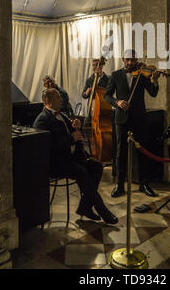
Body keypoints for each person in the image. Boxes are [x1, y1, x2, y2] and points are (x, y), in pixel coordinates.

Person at [33, 88, 118, 224]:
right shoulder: (42, 120)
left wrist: (75, 127)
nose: (61, 100)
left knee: (97, 166)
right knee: (82, 172)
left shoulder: (63, 115)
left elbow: (71, 135)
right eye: (57, 98)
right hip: (57, 163)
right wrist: (71, 138)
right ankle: (103, 211)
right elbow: (48, 147)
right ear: (48, 101)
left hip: (72, 158)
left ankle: (85, 207)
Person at [104, 49, 160, 198]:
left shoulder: (142, 74)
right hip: (121, 118)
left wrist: (154, 80)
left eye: (133, 60)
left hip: (140, 118)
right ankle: (119, 185)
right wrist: (117, 102)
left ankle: (144, 184)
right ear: (123, 59)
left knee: (142, 151)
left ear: (137, 60)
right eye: (128, 59)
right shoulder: (116, 75)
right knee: (120, 152)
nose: (130, 62)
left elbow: (153, 93)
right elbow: (107, 95)